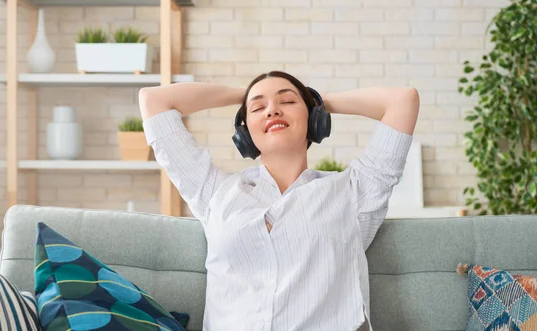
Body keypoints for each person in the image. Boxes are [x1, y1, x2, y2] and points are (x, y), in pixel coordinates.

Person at [138, 71, 419, 331]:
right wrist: (243, 94)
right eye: (258, 108)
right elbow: (154, 101)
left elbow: (402, 101)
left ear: (314, 119)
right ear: (245, 133)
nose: (272, 109)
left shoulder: (354, 192)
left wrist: (318, 103)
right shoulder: (215, 192)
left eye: (287, 100)